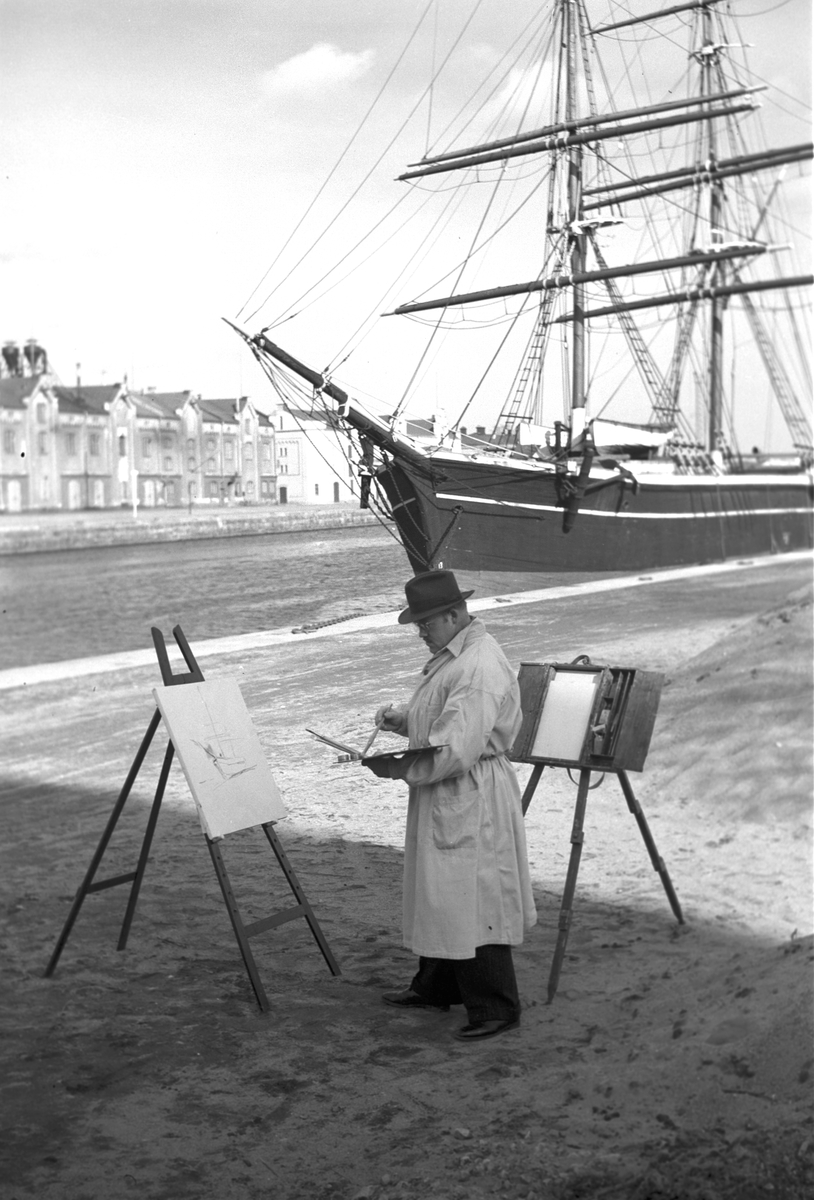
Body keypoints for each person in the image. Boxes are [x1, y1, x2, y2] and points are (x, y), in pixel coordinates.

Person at [362, 569, 537, 1042]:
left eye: (426, 623)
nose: (420, 631)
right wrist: (405, 721)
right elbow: (447, 721)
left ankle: (497, 1007)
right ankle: (436, 986)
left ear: (455, 615)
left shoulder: (477, 665)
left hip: (470, 788)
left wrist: (395, 766)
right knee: (441, 889)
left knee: (475, 894)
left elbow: (456, 748)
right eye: (418, 624)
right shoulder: (455, 656)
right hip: (451, 787)